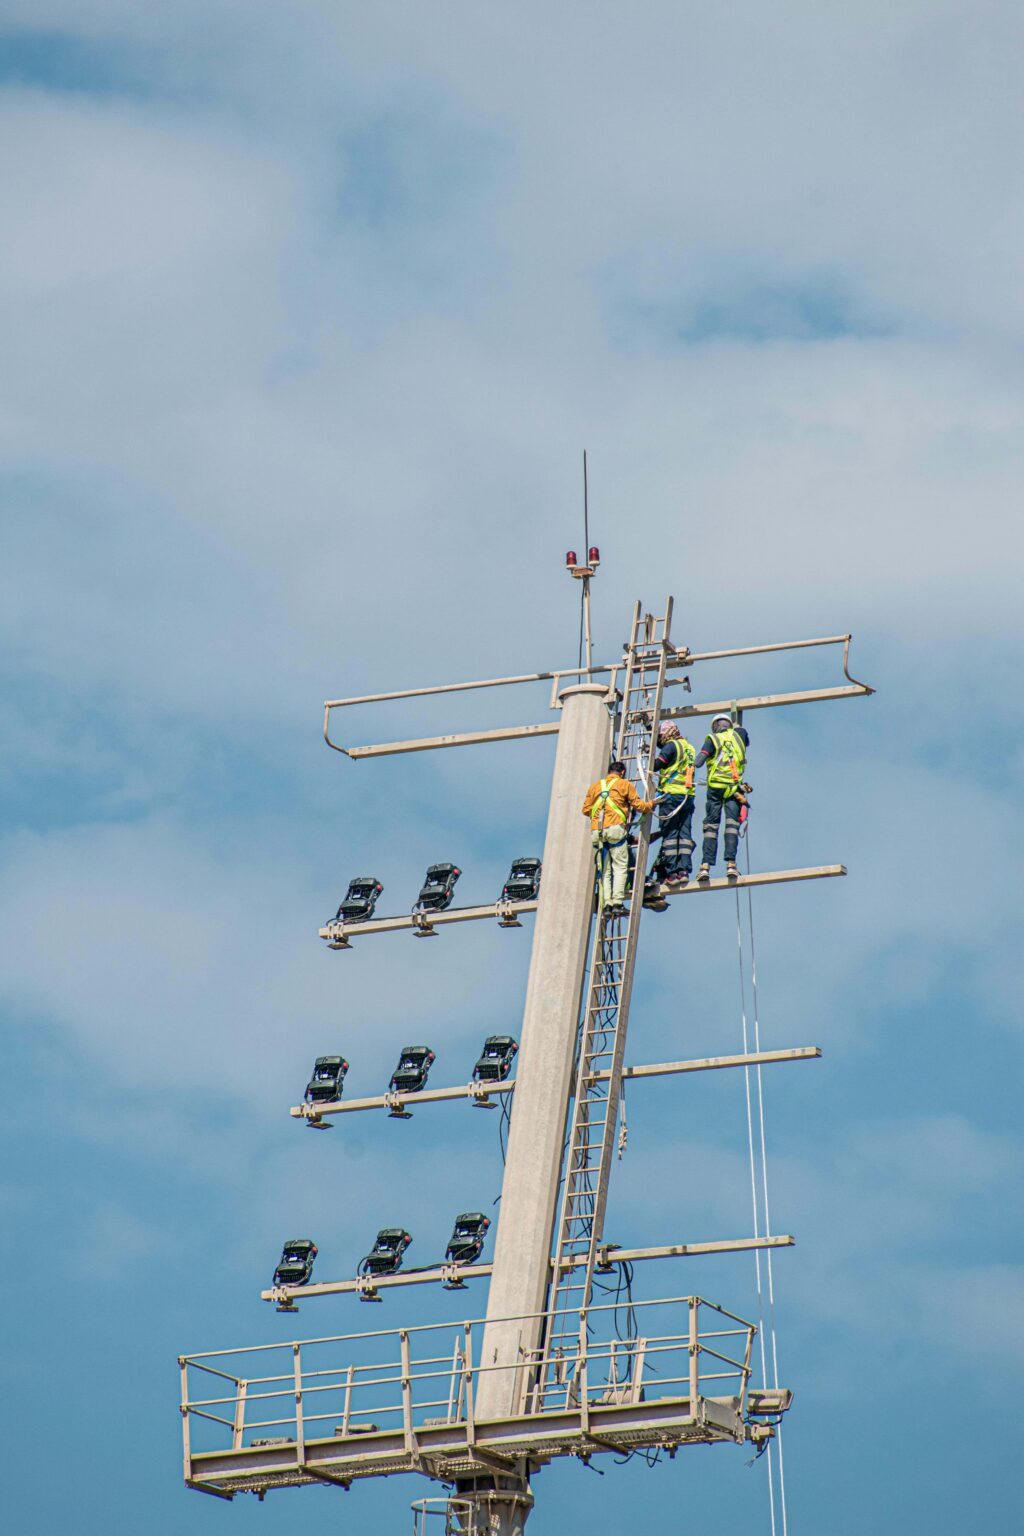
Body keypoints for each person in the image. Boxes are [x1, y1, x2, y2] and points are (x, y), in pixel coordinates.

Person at [581, 760, 655, 916]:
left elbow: (585, 809)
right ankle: (617, 904)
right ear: (621, 773)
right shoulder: (625, 784)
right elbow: (639, 806)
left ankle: (606, 906)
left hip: (597, 832)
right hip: (615, 829)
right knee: (620, 868)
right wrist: (651, 805)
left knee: (605, 871)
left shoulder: (595, 786)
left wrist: (601, 810)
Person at [685, 713, 749, 882]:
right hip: (734, 789)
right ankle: (731, 865)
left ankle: (705, 866)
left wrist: (689, 767)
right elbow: (745, 737)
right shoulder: (739, 737)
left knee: (711, 828)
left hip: (716, 789)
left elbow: (700, 759)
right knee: (732, 827)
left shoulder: (713, 739)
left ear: (715, 727)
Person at [649, 721, 696, 888]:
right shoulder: (689, 748)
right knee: (684, 834)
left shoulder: (670, 746)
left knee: (669, 834)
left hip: (671, 796)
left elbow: (658, 764)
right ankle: (684, 870)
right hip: (687, 796)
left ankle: (671, 873)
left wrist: (647, 760)